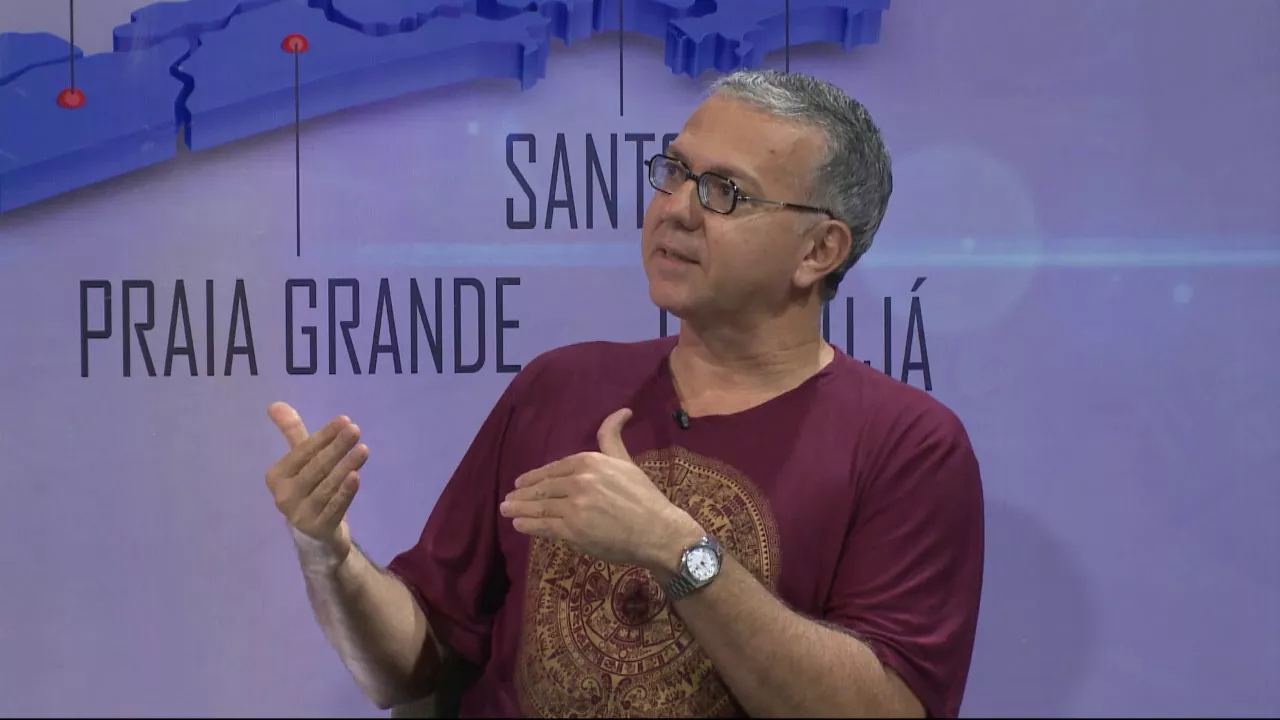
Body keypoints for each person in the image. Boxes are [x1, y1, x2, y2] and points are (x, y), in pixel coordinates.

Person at [264, 69, 984, 719]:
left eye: (724, 192)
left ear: (818, 250)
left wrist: (676, 549)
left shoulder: (908, 444)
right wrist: (329, 555)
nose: (676, 209)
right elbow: (407, 669)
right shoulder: (561, 386)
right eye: (674, 172)